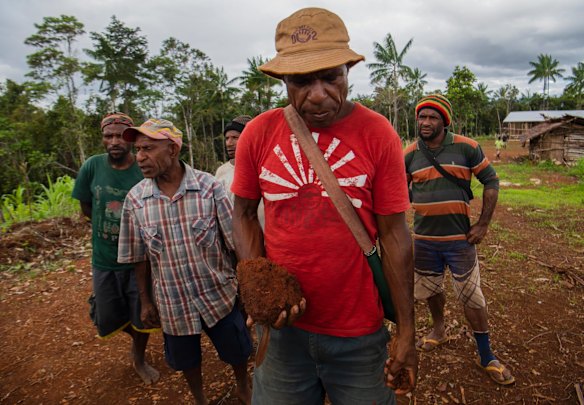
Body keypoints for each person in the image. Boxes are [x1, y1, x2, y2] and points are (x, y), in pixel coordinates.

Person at [231, 7, 417, 404]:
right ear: (283, 80)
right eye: (301, 81)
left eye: (331, 77)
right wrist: (257, 286)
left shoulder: (377, 134)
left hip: (359, 335)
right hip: (282, 337)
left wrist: (407, 332)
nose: (318, 94)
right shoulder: (258, 134)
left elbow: (395, 234)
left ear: (348, 71)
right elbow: (243, 213)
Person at [116, 118, 252, 405]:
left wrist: (246, 287)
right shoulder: (136, 200)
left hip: (218, 294)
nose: (140, 156)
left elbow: (234, 241)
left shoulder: (209, 187)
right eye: (138, 149)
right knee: (186, 358)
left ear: (172, 150)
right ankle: (200, 398)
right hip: (173, 301)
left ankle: (243, 386)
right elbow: (138, 257)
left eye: (148, 148)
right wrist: (146, 300)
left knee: (237, 349)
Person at [404, 94, 515, 385]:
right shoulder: (410, 153)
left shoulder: (467, 148)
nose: (425, 122)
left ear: (444, 121)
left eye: (432, 117)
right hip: (424, 240)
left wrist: (483, 224)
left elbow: (491, 180)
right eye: (422, 117)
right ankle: (438, 329)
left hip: (459, 240)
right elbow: (399, 192)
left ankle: (486, 355)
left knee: (471, 296)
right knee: (429, 290)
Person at [71, 112, 160, 385]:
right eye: (108, 136)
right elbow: (87, 206)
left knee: (142, 312)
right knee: (106, 317)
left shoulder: (142, 169)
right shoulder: (92, 167)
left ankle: (139, 357)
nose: (114, 141)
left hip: (139, 260)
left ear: (130, 138)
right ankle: (132, 334)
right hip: (104, 258)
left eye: (120, 135)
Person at [215, 115, 264, 228]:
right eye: (227, 138)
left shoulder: (264, 167)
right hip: (236, 236)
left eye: (235, 137)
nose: (229, 143)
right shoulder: (222, 172)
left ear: (248, 137)